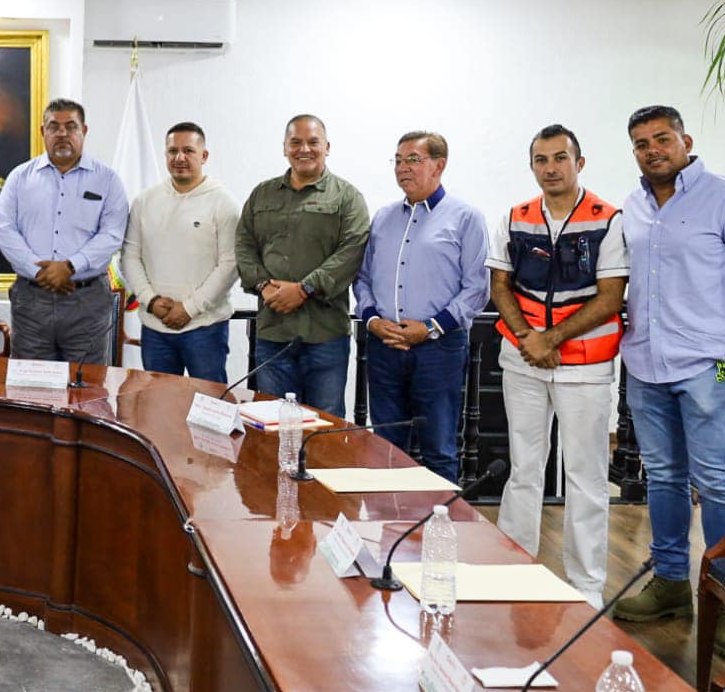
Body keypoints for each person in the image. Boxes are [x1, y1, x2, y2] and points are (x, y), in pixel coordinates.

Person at [612, 105, 725, 656]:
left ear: (685, 140)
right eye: (641, 143)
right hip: (646, 364)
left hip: (714, 363)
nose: (652, 150)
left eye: (662, 139)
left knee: (715, 478)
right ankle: (670, 583)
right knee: (662, 478)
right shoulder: (634, 207)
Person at [487, 124, 628, 604]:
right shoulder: (515, 217)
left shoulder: (610, 219)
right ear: (532, 166)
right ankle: (513, 568)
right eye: (541, 160)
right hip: (523, 359)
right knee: (524, 469)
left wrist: (552, 339)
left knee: (585, 476)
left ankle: (586, 586)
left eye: (560, 158)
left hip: (584, 367)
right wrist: (530, 339)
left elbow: (610, 298)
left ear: (579, 163)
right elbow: (500, 286)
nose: (551, 168)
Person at [352, 130, 488, 482]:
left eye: (413, 159)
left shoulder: (466, 217)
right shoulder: (383, 218)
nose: (403, 168)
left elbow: (477, 288)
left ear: (439, 165)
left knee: (438, 449)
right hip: (385, 348)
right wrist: (371, 320)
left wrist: (429, 327)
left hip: (438, 350)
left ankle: (441, 534)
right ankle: (390, 534)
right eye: (398, 160)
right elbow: (362, 278)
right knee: (385, 448)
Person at [235, 114, 369, 413]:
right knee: (272, 424)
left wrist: (305, 288)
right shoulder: (262, 194)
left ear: (327, 146)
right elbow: (243, 244)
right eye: (295, 142)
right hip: (273, 332)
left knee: (324, 426)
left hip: (325, 335)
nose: (304, 149)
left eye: (313, 142)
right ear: (285, 148)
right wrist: (263, 286)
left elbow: (352, 250)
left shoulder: (347, 197)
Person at [0, 98, 129, 365]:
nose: (62, 133)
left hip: (86, 301)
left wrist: (69, 266)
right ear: (43, 132)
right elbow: (4, 230)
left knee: (86, 386)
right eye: (54, 127)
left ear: (84, 131)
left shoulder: (108, 180)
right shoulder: (20, 178)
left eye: (71, 126)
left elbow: (112, 234)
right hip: (32, 300)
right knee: (31, 387)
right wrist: (41, 272)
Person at [120, 122, 239, 382]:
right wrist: (150, 300)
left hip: (205, 328)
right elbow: (129, 256)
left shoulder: (223, 202)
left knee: (210, 408)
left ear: (204, 156)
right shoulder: (144, 201)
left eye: (188, 150)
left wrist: (189, 308)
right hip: (155, 326)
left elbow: (230, 265)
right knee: (157, 409)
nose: (179, 158)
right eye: (172, 151)